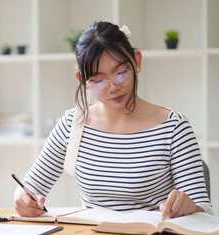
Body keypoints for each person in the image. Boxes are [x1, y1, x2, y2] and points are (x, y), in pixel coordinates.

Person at [13, 21, 213, 219]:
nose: (113, 87)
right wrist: (22, 199)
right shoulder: (72, 124)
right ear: (83, 81)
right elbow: (29, 188)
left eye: (121, 73)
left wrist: (189, 206)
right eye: (98, 80)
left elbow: (205, 210)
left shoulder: (174, 128)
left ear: (137, 62)